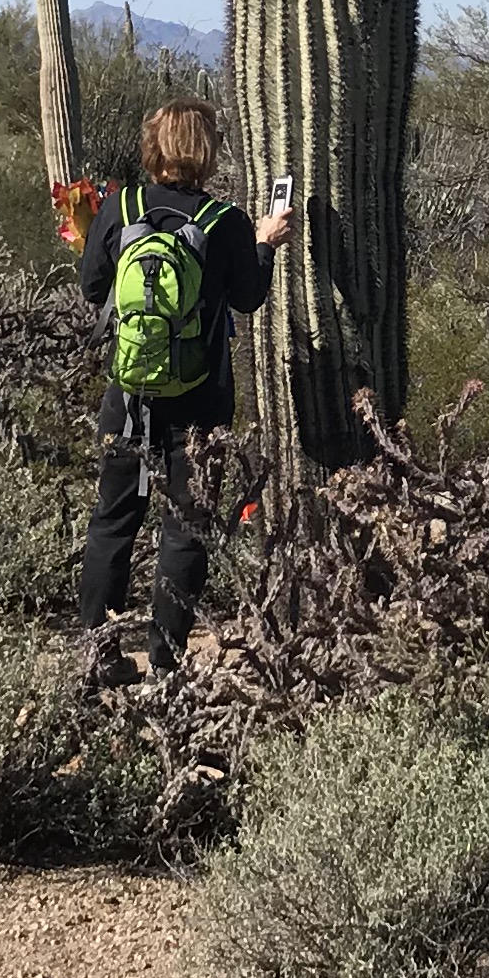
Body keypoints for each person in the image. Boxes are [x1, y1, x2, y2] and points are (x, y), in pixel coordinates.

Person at [73, 100, 290, 674]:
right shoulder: (226, 222)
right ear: (206, 150)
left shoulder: (123, 206)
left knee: (113, 520)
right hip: (200, 401)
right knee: (185, 528)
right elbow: (247, 298)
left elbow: (94, 289)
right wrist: (266, 241)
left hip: (128, 397)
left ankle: (99, 658)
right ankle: (167, 668)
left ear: (153, 148)